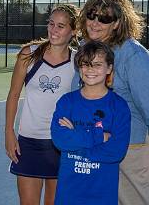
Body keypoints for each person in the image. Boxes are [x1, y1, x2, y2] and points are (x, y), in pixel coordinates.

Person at [72, 0, 149, 205]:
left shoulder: (132, 55)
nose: (95, 22)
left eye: (105, 17)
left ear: (117, 23)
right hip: (93, 147)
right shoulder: (86, 50)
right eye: (91, 15)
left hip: (129, 150)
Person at [5, 4, 79, 205]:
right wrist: (9, 132)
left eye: (61, 26)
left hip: (61, 144)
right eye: (51, 24)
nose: (54, 30)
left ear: (73, 30)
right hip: (28, 143)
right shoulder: (29, 54)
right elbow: (13, 94)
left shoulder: (78, 61)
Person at [50, 41, 131, 205]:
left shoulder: (119, 107)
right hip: (68, 195)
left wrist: (76, 143)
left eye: (97, 64)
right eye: (85, 64)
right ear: (79, 68)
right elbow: (60, 140)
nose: (90, 69)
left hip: (101, 195)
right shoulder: (67, 102)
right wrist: (100, 136)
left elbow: (116, 152)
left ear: (109, 68)